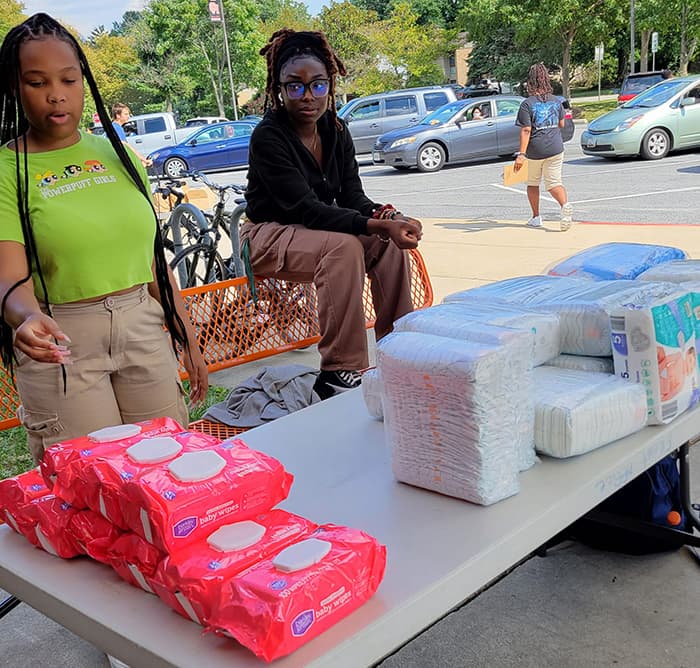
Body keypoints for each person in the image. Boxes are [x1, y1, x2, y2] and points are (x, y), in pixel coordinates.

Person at [0, 13, 208, 465]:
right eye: (37, 82)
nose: (56, 94)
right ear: (14, 89)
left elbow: (153, 258)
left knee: (168, 471)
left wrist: (187, 334)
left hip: (143, 325)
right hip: (61, 337)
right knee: (93, 481)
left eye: (68, 79)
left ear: (83, 82)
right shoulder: (5, 170)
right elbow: (8, 277)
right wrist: (23, 317)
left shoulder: (117, 153)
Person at [241, 29, 423, 400]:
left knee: (384, 244)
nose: (308, 96)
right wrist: (377, 224)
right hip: (265, 236)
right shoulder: (269, 136)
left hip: (318, 231)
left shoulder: (336, 130)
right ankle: (339, 370)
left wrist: (388, 216)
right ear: (278, 89)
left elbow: (353, 197)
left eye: (318, 86)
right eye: (295, 87)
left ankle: (398, 348)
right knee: (343, 247)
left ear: (331, 86)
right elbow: (307, 209)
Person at [514, 63, 573, 232]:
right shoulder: (556, 101)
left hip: (535, 151)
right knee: (554, 182)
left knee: (533, 183)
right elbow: (561, 124)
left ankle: (536, 217)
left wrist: (521, 154)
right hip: (556, 148)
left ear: (530, 82)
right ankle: (565, 206)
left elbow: (526, 130)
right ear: (547, 79)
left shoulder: (527, 104)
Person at [111, 101, 152, 167]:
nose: (128, 116)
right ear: (118, 115)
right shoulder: (116, 128)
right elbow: (126, 146)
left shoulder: (115, 127)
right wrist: (144, 160)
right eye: (126, 114)